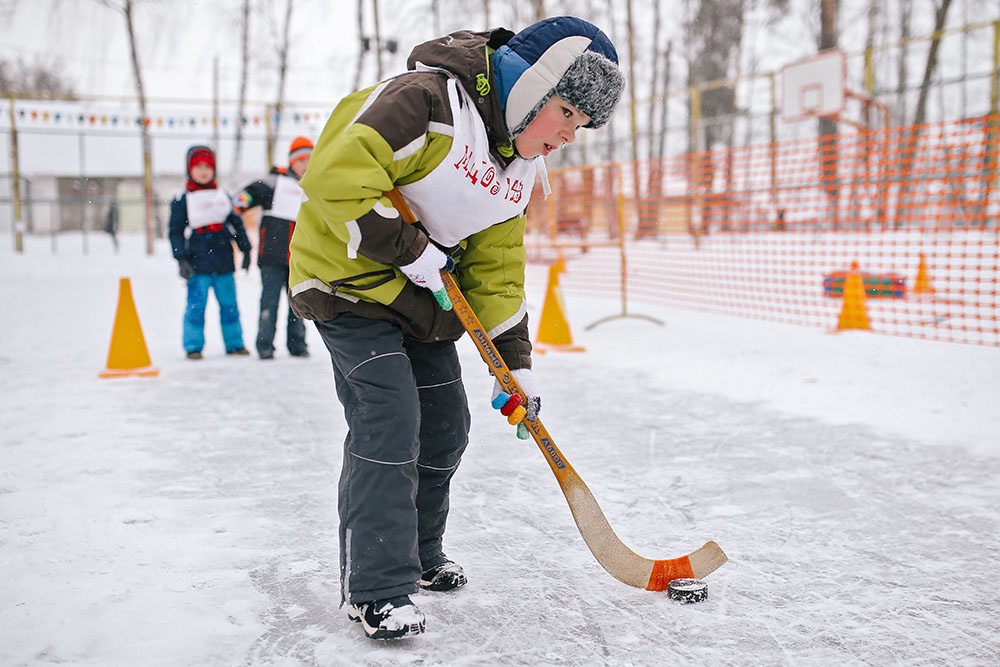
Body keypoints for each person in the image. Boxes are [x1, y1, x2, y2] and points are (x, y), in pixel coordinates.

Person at [287, 16, 624, 640]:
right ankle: (377, 586)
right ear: (533, 85)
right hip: (346, 282)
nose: (570, 135)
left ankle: (415, 555)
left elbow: (495, 273)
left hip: (421, 299)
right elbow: (332, 179)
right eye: (568, 112)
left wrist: (514, 363)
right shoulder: (425, 104)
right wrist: (404, 246)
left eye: (582, 125)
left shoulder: (517, 170)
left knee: (445, 425)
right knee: (390, 416)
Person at [169, 145, 253, 360]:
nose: (203, 171)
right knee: (195, 308)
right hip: (197, 264)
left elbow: (237, 224)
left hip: (224, 262)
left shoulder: (223, 196)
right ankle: (193, 346)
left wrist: (246, 249)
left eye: (208, 166)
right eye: (198, 166)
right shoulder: (182, 199)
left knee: (230, 306)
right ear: (189, 170)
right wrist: (180, 259)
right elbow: (175, 232)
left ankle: (235, 344)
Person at [234, 136, 313, 360]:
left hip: (300, 258)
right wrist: (242, 199)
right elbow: (247, 196)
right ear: (291, 162)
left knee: (298, 303)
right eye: (301, 160)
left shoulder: (315, 186)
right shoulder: (274, 182)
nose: (305, 165)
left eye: (309, 160)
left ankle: (298, 344)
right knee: (269, 302)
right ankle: (264, 344)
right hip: (271, 255)